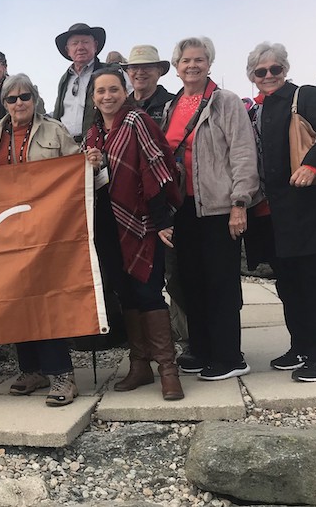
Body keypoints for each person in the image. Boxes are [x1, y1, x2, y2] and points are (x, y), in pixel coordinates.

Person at [0, 74, 82, 406]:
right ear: (3, 103)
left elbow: (75, 170)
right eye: (12, 98)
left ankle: (62, 373)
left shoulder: (55, 131)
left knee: (47, 298)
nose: (19, 103)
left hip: (47, 229)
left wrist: (88, 162)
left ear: (35, 98)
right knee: (16, 298)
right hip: (5, 232)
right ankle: (31, 369)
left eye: (25, 96)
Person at [245, 42, 316, 382]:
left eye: (275, 69)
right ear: (252, 76)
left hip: (310, 208)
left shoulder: (307, 95)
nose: (269, 75)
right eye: (261, 71)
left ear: (285, 70)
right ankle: (302, 346)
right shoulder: (257, 110)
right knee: (289, 282)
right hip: (275, 214)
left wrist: (313, 165)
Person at [83, 69, 184, 401]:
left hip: (141, 222)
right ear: (93, 97)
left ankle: (168, 370)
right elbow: (89, 185)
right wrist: (91, 164)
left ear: (124, 92)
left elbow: (156, 169)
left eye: (114, 89)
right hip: (109, 226)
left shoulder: (137, 121)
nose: (107, 96)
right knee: (126, 293)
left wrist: (162, 220)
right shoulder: (93, 134)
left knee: (149, 292)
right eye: (101, 91)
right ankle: (139, 365)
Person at [162, 36, 260, 381]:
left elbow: (243, 153)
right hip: (184, 207)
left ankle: (229, 355)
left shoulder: (225, 102)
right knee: (192, 282)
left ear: (209, 63)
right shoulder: (172, 107)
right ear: (176, 67)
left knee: (221, 283)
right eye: (186, 60)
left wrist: (240, 203)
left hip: (219, 206)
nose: (192, 66)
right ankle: (202, 349)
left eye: (199, 59)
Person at [121, 45, 189, 355]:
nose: (139, 72)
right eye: (134, 68)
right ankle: (146, 346)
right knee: (139, 278)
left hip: (165, 202)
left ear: (160, 70)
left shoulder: (174, 105)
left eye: (147, 67)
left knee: (176, 274)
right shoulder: (119, 107)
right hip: (130, 207)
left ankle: (187, 338)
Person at [53, 23, 108, 142]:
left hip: (98, 144)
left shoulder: (109, 73)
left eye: (85, 42)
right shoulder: (64, 79)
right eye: (75, 43)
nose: (80, 47)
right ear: (68, 50)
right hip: (64, 146)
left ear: (95, 45)